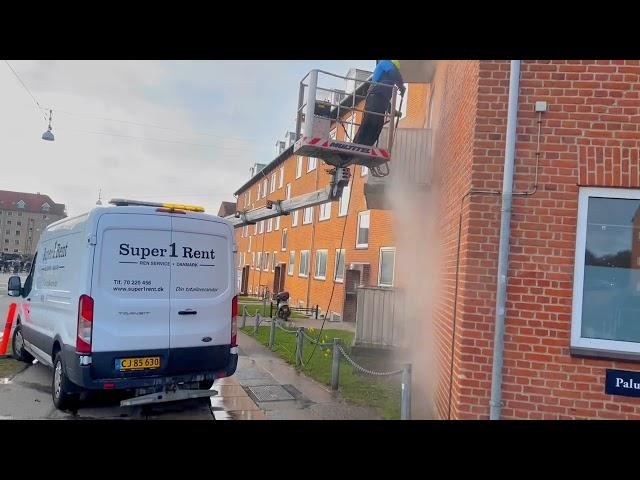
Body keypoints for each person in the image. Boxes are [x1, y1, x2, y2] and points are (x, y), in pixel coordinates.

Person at [352, 60, 406, 146]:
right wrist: (401, 86)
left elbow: (384, 99)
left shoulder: (387, 85)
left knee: (377, 126)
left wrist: (392, 111)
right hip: (374, 97)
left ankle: (367, 147)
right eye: (396, 68)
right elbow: (393, 72)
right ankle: (356, 145)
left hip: (380, 100)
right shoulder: (385, 62)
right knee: (369, 122)